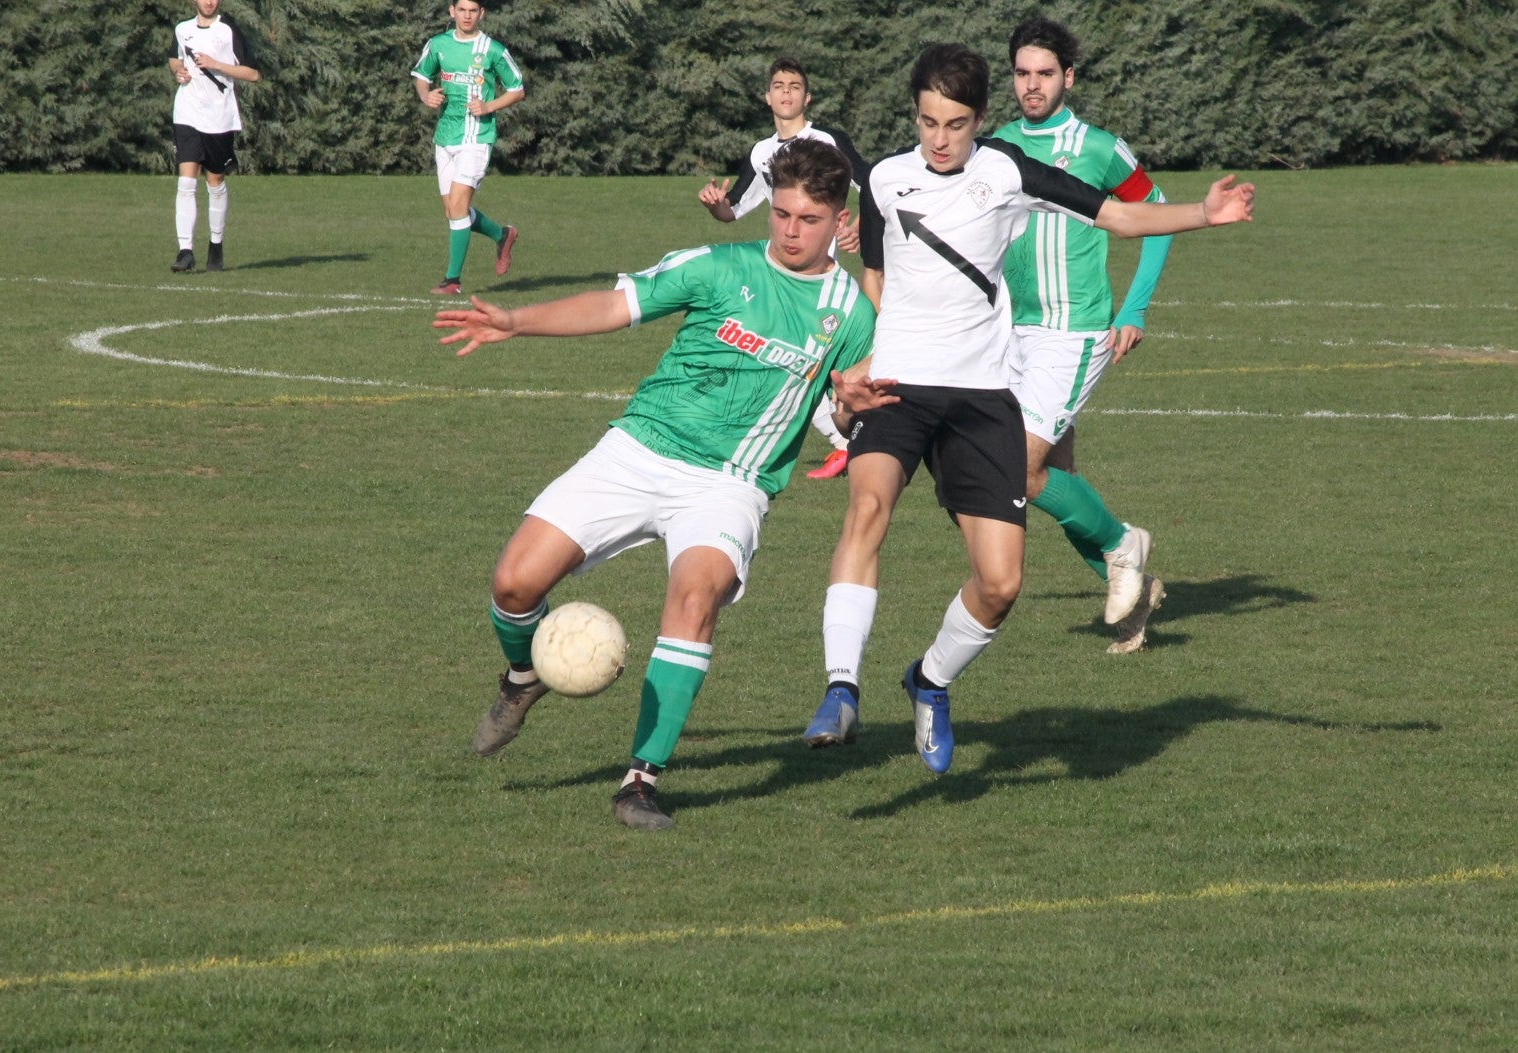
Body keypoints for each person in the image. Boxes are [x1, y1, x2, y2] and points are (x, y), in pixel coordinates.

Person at [800, 43, 1254, 771]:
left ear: (981, 119)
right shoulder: (883, 178)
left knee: (1002, 583)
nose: (938, 139)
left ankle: (930, 680)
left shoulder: (1007, 169)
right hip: (898, 388)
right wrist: (861, 362)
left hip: (981, 397)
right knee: (867, 509)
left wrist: (1202, 213)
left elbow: (1116, 216)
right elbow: (876, 277)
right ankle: (840, 688)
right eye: (925, 122)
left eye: (953, 124)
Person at [435, 139, 890, 831]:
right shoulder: (714, 265)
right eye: (783, 214)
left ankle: (640, 780)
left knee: (694, 595)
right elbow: (613, 307)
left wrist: (851, 411)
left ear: (838, 221)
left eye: (810, 218)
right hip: (638, 450)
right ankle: (523, 677)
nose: (792, 230)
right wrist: (517, 321)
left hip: (729, 484)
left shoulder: (851, 314)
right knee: (513, 585)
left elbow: (845, 406)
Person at [990, 18, 1175, 654]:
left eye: (1045, 73)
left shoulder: (1097, 147)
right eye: (1022, 73)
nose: (1032, 85)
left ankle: (1125, 546)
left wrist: (1135, 309)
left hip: (1073, 331)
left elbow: (1157, 216)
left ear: (1068, 77)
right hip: (1009, 333)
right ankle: (1133, 600)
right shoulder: (996, 148)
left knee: (1017, 464)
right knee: (1055, 477)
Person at [698, 57, 870, 482]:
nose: (786, 92)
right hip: (777, 272)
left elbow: (872, 184)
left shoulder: (829, 140)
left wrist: (863, 226)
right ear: (767, 96)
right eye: (778, 85)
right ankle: (848, 442)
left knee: (795, 359)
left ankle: (853, 439)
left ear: (807, 97)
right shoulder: (761, 153)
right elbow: (734, 209)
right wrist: (718, 205)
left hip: (819, 277)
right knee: (788, 358)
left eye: (795, 85)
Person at [412, 0, 524, 296]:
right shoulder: (437, 45)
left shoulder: (493, 50)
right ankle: (502, 234)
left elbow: (517, 89)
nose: (467, 15)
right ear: (452, 12)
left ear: (481, 14)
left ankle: (452, 281)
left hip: (476, 137)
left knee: (459, 206)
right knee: (452, 211)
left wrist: (489, 105)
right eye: (461, 10)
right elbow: (422, 77)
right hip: (445, 136)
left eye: (473, 11)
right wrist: (426, 97)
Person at [167, 0, 260, 273]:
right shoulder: (182, 29)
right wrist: (179, 71)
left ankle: (216, 245)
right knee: (186, 180)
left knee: (215, 180)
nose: (209, 1)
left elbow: (253, 74)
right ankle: (185, 251)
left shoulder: (228, 29)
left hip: (218, 116)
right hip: (186, 113)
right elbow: (174, 57)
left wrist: (216, 64)